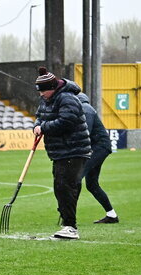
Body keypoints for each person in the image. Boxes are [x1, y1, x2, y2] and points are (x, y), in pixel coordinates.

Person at [33, 67, 91, 241]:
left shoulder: (67, 98)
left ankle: (70, 227)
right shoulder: (47, 99)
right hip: (60, 151)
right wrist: (37, 125)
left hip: (73, 150)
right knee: (62, 187)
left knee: (65, 187)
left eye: (43, 90)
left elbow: (67, 121)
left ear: (52, 87)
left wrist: (43, 127)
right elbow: (40, 116)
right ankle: (67, 223)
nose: (41, 94)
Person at [76, 92, 120, 224]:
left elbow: (86, 132)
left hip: (99, 148)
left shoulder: (86, 109)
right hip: (98, 148)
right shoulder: (84, 109)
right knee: (92, 184)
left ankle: (69, 214)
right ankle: (112, 215)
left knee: (77, 178)